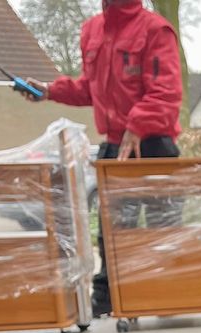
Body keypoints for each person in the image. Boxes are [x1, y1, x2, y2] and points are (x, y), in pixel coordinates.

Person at [17, 0, 183, 316]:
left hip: (153, 146)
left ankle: (168, 297)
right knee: (113, 232)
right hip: (115, 146)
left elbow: (167, 91)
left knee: (162, 228)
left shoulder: (155, 30)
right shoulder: (92, 30)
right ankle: (109, 300)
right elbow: (90, 89)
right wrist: (49, 90)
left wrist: (138, 124)